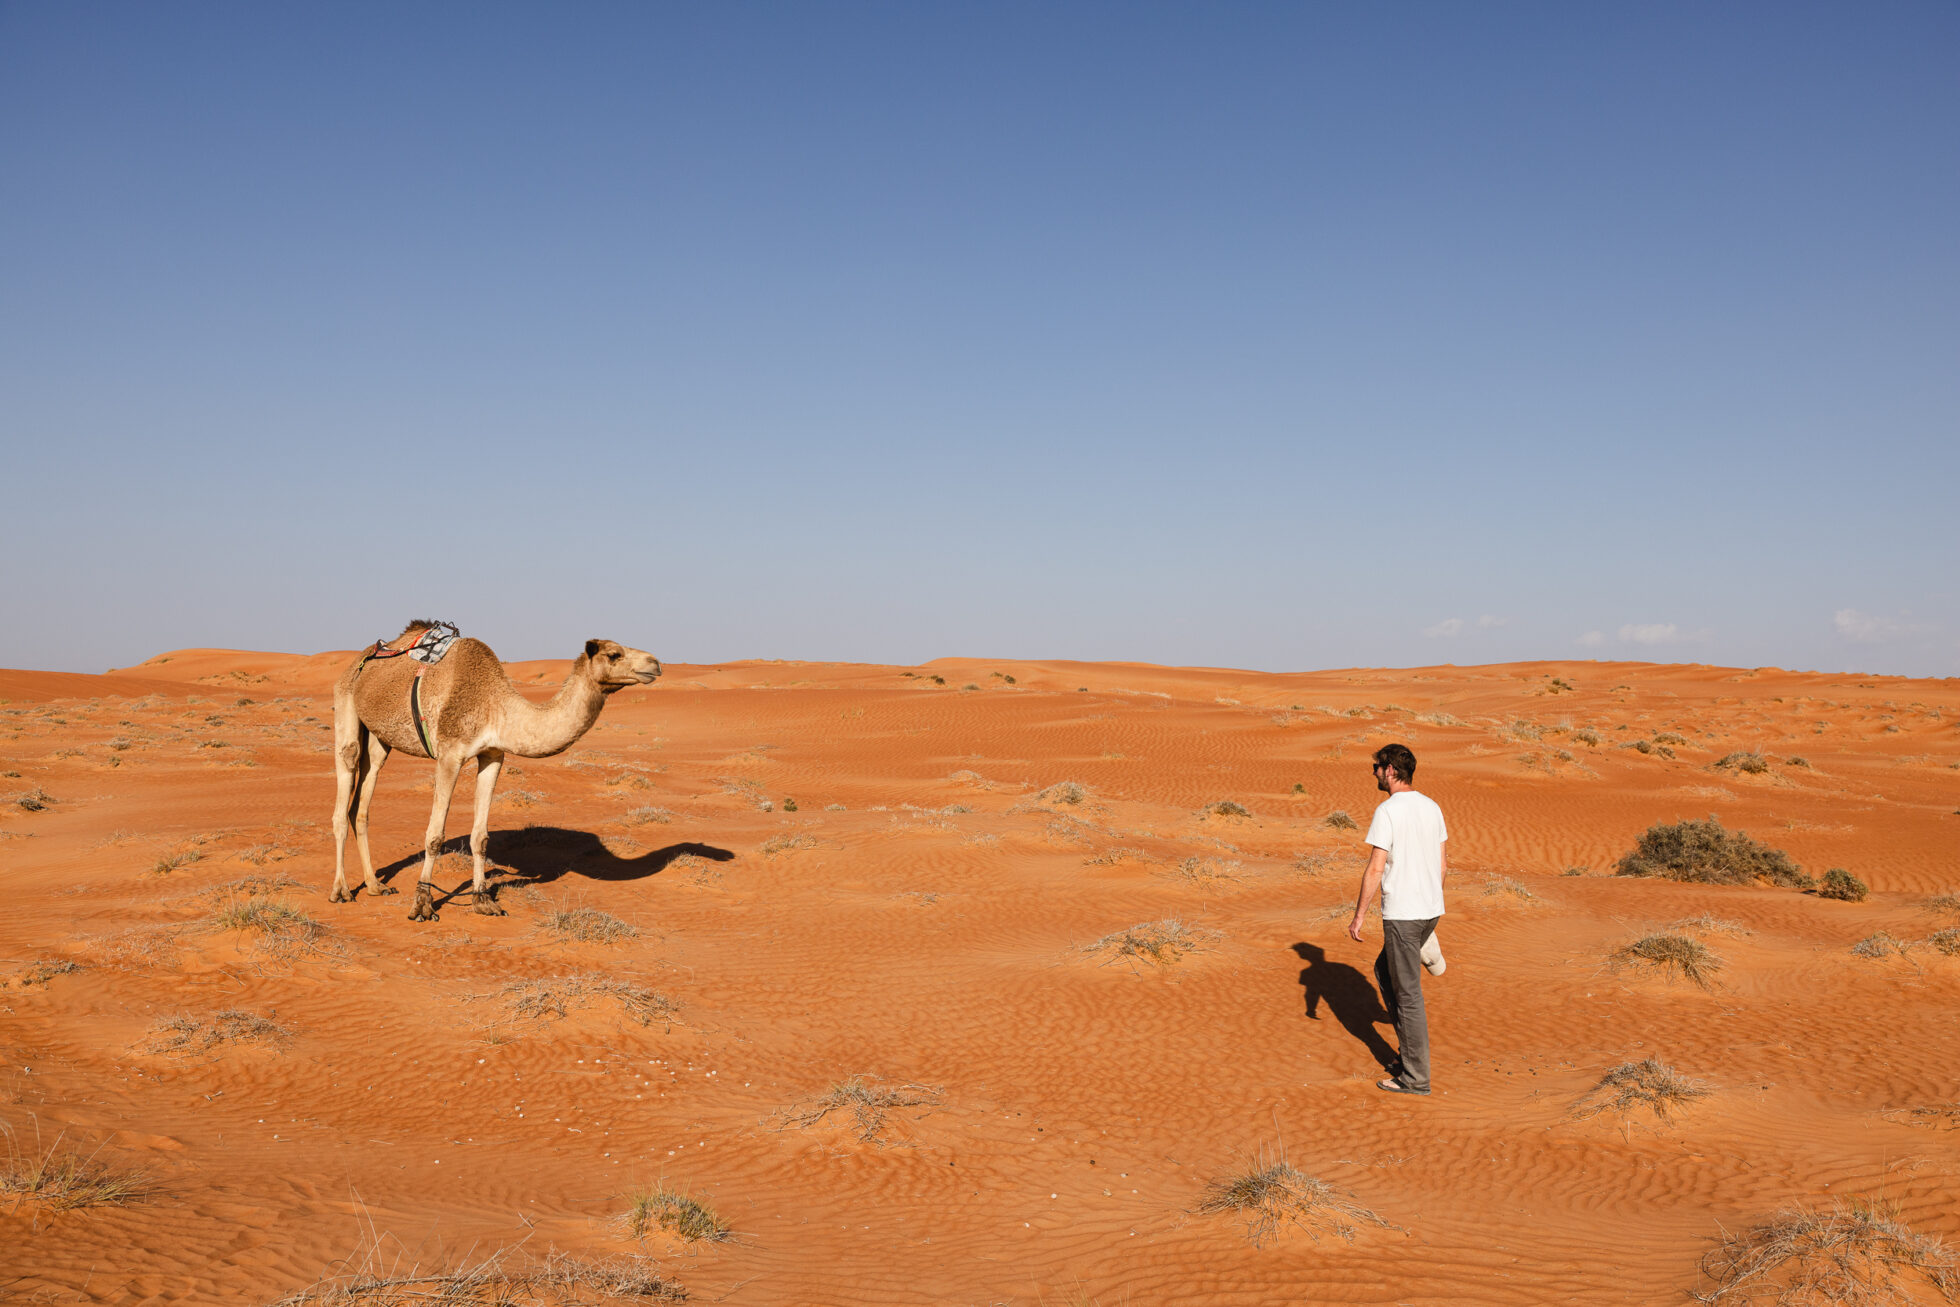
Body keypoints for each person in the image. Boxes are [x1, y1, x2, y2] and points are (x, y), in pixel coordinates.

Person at [1345, 742, 1447, 1095]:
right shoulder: (1432, 808)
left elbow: (1376, 867)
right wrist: (1430, 904)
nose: (1373, 772)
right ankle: (1410, 1054)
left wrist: (1359, 916)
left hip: (1404, 915)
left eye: (1376, 766)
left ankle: (1416, 1077)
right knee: (1384, 973)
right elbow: (1443, 864)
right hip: (1429, 911)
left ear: (1390, 770)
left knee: (1408, 996)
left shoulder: (1388, 811)